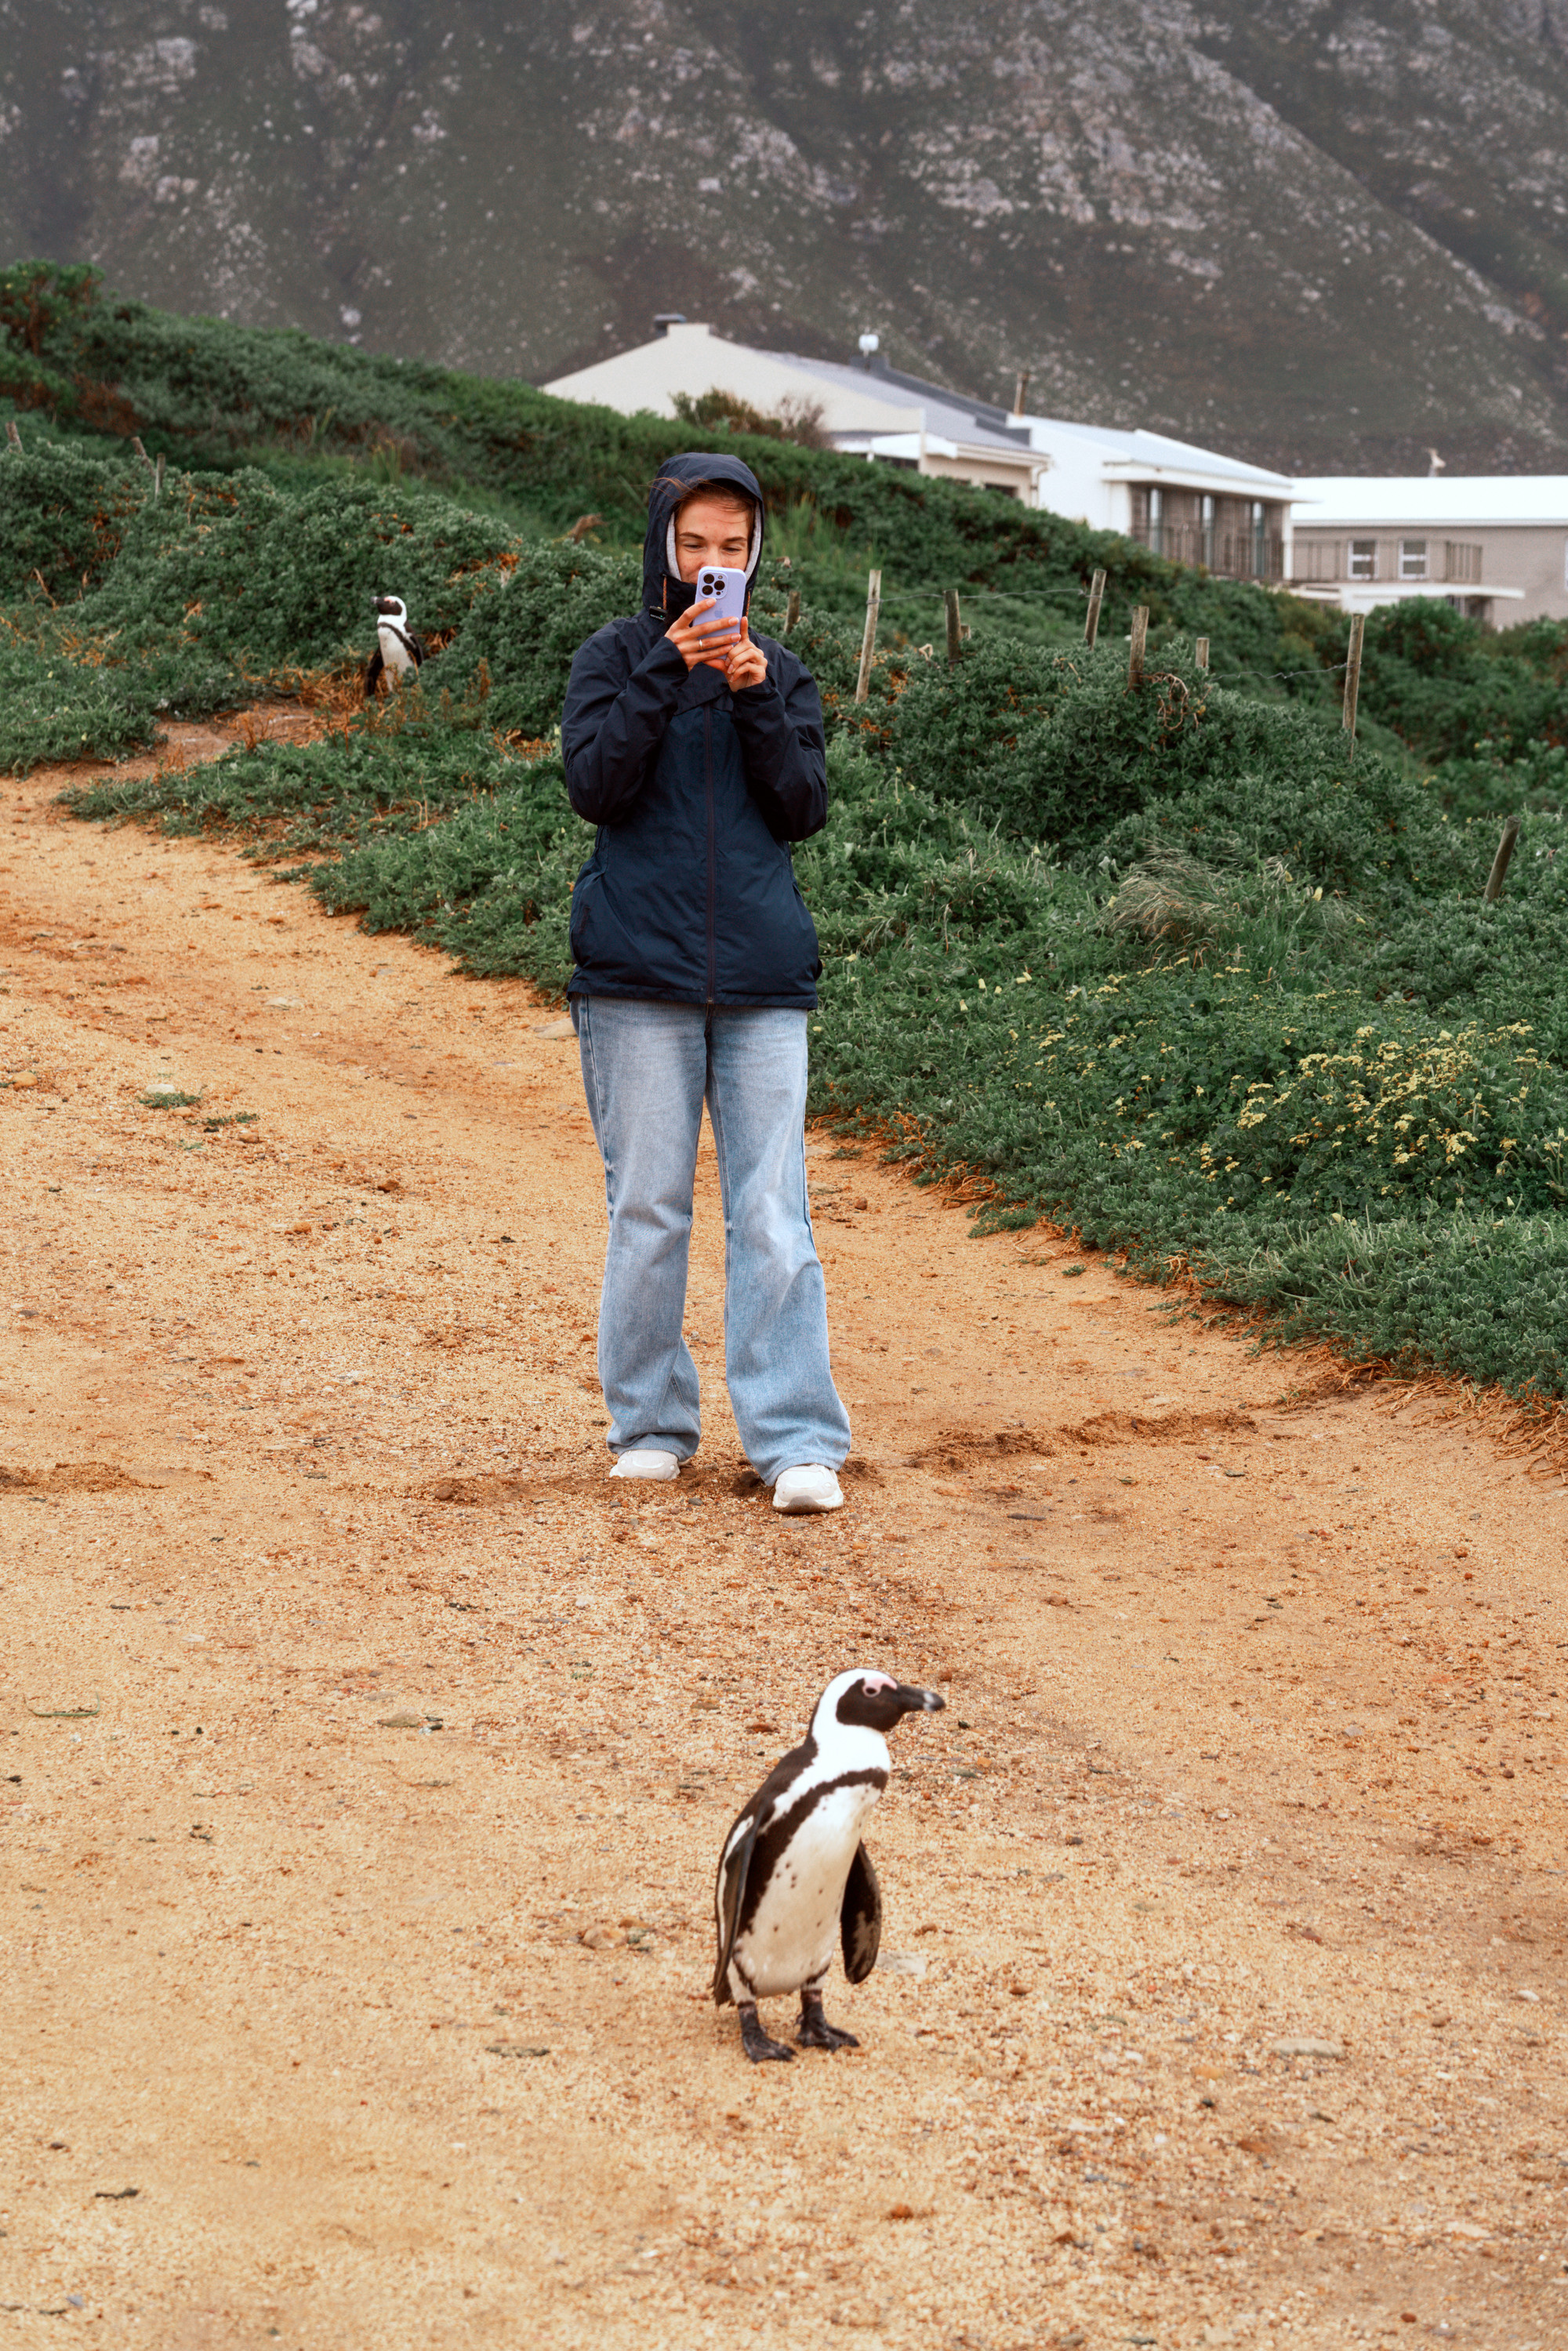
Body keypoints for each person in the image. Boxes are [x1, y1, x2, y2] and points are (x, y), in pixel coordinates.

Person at [562, 451, 851, 1514]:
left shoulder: (781, 671)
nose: (711, 563)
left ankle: (797, 1441)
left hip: (764, 980)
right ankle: (649, 1426)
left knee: (773, 1213)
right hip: (636, 974)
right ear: (664, 547)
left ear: (755, 554)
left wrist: (756, 696)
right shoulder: (612, 657)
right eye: (694, 545)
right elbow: (596, 786)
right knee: (649, 1209)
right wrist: (665, 674)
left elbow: (803, 807)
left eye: (732, 546)